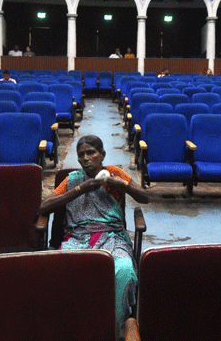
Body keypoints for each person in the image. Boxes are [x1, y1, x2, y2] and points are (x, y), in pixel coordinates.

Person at [39, 135, 149, 337]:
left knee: (123, 269)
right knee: (63, 272)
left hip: (113, 237)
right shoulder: (73, 180)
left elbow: (145, 196)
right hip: (78, 239)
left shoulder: (114, 174)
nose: (86, 158)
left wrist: (123, 185)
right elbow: (44, 206)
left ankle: (116, 329)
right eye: (81, 155)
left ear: (102, 155)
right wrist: (81, 189)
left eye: (91, 152)